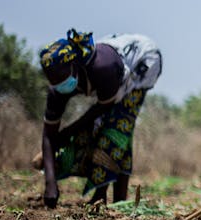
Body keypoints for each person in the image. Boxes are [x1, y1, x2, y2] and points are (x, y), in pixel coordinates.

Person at [36, 29, 162, 208]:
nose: (57, 82)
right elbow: (48, 135)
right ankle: (118, 201)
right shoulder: (57, 90)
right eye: (52, 78)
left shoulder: (103, 69)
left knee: (117, 127)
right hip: (116, 66)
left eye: (61, 76)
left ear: (75, 65)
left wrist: (66, 133)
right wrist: (50, 184)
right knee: (105, 130)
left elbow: (100, 110)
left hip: (143, 60)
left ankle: (104, 196)